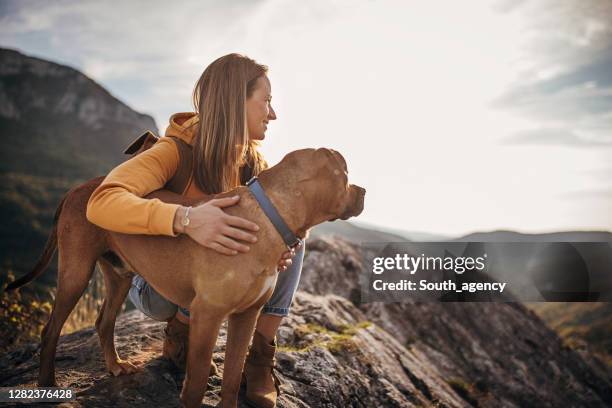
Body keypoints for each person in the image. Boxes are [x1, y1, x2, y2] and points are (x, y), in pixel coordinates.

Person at [86, 53, 304, 408]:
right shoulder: (173, 151)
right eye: (266, 101)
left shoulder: (253, 164)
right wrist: (185, 220)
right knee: (168, 297)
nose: (273, 113)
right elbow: (101, 202)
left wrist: (276, 254)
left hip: (211, 279)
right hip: (158, 287)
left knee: (293, 233)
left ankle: (260, 361)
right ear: (235, 103)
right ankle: (181, 332)